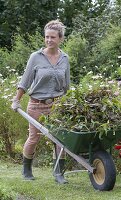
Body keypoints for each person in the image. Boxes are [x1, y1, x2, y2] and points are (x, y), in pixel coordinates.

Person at [11, 19, 70, 183]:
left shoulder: (64, 58)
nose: (49, 40)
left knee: (59, 139)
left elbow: (67, 85)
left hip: (57, 105)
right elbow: (25, 81)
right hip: (37, 105)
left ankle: (59, 173)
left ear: (60, 39)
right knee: (34, 137)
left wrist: (69, 103)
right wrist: (16, 100)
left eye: (53, 37)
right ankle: (26, 170)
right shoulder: (35, 57)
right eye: (47, 37)